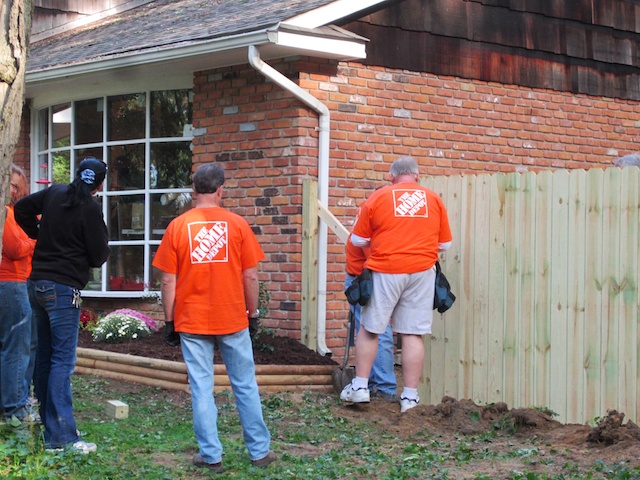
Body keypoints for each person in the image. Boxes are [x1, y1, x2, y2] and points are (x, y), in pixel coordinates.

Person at [152, 163, 275, 473]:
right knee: (245, 385)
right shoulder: (238, 225)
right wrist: (253, 313)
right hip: (233, 317)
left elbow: (168, 281)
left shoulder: (178, 226)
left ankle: (211, 456)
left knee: (201, 388)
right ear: (221, 190)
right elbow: (250, 277)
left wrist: (169, 321)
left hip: (192, 321)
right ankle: (259, 452)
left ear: (194, 191)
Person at [340, 156, 452, 413]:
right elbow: (444, 245)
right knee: (412, 332)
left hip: (386, 268)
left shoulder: (378, 198)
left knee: (370, 328)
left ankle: (359, 387)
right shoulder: (434, 199)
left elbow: (357, 240)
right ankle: (410, 398)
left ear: (391, 177)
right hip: (423, 271)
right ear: (417, 175)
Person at [14, 158, 110, 453]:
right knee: (62, 361)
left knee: (44, 358)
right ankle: (62, 438)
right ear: (100, 184)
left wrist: (39, 234)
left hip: (37, 285)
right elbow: (99, 255)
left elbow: (21, 209)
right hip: (64, 290)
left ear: (77, 175)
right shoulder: (91, 208)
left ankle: (50, 428)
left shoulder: (54, 193)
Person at [0, 165, 37, 422]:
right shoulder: (6, 213)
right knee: (17, 347)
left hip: (17, 281)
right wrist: (37, 239)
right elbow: (14, 248)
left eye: (16, 186)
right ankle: (14, 408)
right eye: (10, 185)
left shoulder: (15, 213)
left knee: (17, 344)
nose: (13, 190)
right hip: (11, 282)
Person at [345, 237, 397, 401]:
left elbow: (375, 254)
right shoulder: (370, 213)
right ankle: (373, 384)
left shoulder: (373, 214)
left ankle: (383, 387)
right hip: (361, 276)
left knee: (375, 330)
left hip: (367, 278)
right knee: (370, 330)